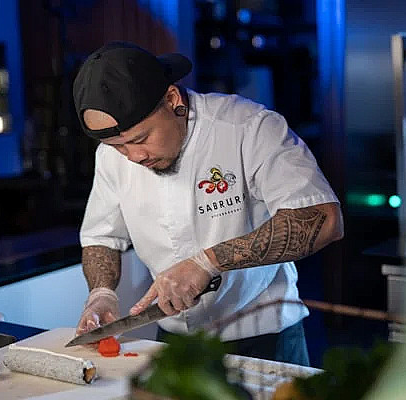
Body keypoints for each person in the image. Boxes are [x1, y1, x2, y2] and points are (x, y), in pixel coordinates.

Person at [72, 41, 344, 366]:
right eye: (118, 146)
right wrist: (101, 293)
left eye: (140, 139)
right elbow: (102, 237)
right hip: (175, 342)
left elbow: (322, 218)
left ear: (172, 100)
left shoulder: (248, 128)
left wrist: (208, 262)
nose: (134, 156)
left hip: (264, 337)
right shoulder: (110, 158)